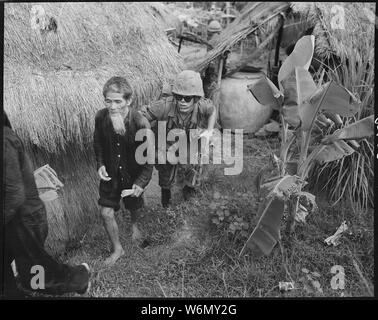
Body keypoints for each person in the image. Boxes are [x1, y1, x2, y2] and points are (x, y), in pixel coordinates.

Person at [2, 111, 90, 298]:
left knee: (33, 273)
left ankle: (79, 278)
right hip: (11, 217)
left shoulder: (4, 141)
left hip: (24, 218)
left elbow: (15, 194)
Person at [94, 76, 153, 266]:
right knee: (105, 213)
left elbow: (148, 159)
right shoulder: (101, 117)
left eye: (118, 101)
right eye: (108, 101)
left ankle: (135, 225)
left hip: (132, 174)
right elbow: (98, 144)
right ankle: (118, 249)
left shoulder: (141, 123)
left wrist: (140, 183)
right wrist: (100, 164)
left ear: (129, 100)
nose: (112, 106)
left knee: (134, 204)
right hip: (110, 174)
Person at [141, 70, 216, 208]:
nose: (182, 101)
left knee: (199, 159)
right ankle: (166, 199)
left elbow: (212, 111)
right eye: (179, 97)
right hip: (165, 144)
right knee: (166, 171)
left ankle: (189, 189)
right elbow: (141, 117)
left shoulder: (202, 106)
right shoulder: (163, 106)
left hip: (187, 142)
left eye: (187, 98)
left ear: (196, 99)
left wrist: (209, 132)